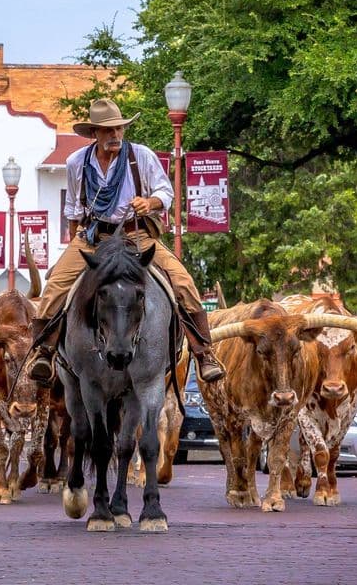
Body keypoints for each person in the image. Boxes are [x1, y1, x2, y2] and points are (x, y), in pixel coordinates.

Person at [29, 98, 225, 387]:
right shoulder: (76, 163)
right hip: (95, 236)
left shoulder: (141, 156)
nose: (115, 136)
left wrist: (150, 202)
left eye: (119, 129)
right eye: (108, 131)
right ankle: (43, 352)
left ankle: (203, 352)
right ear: (94, 133)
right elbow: (73, 209)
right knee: (55, 285)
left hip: (137, 234)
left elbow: (165, 192)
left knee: (183, 282)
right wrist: (76, 247)